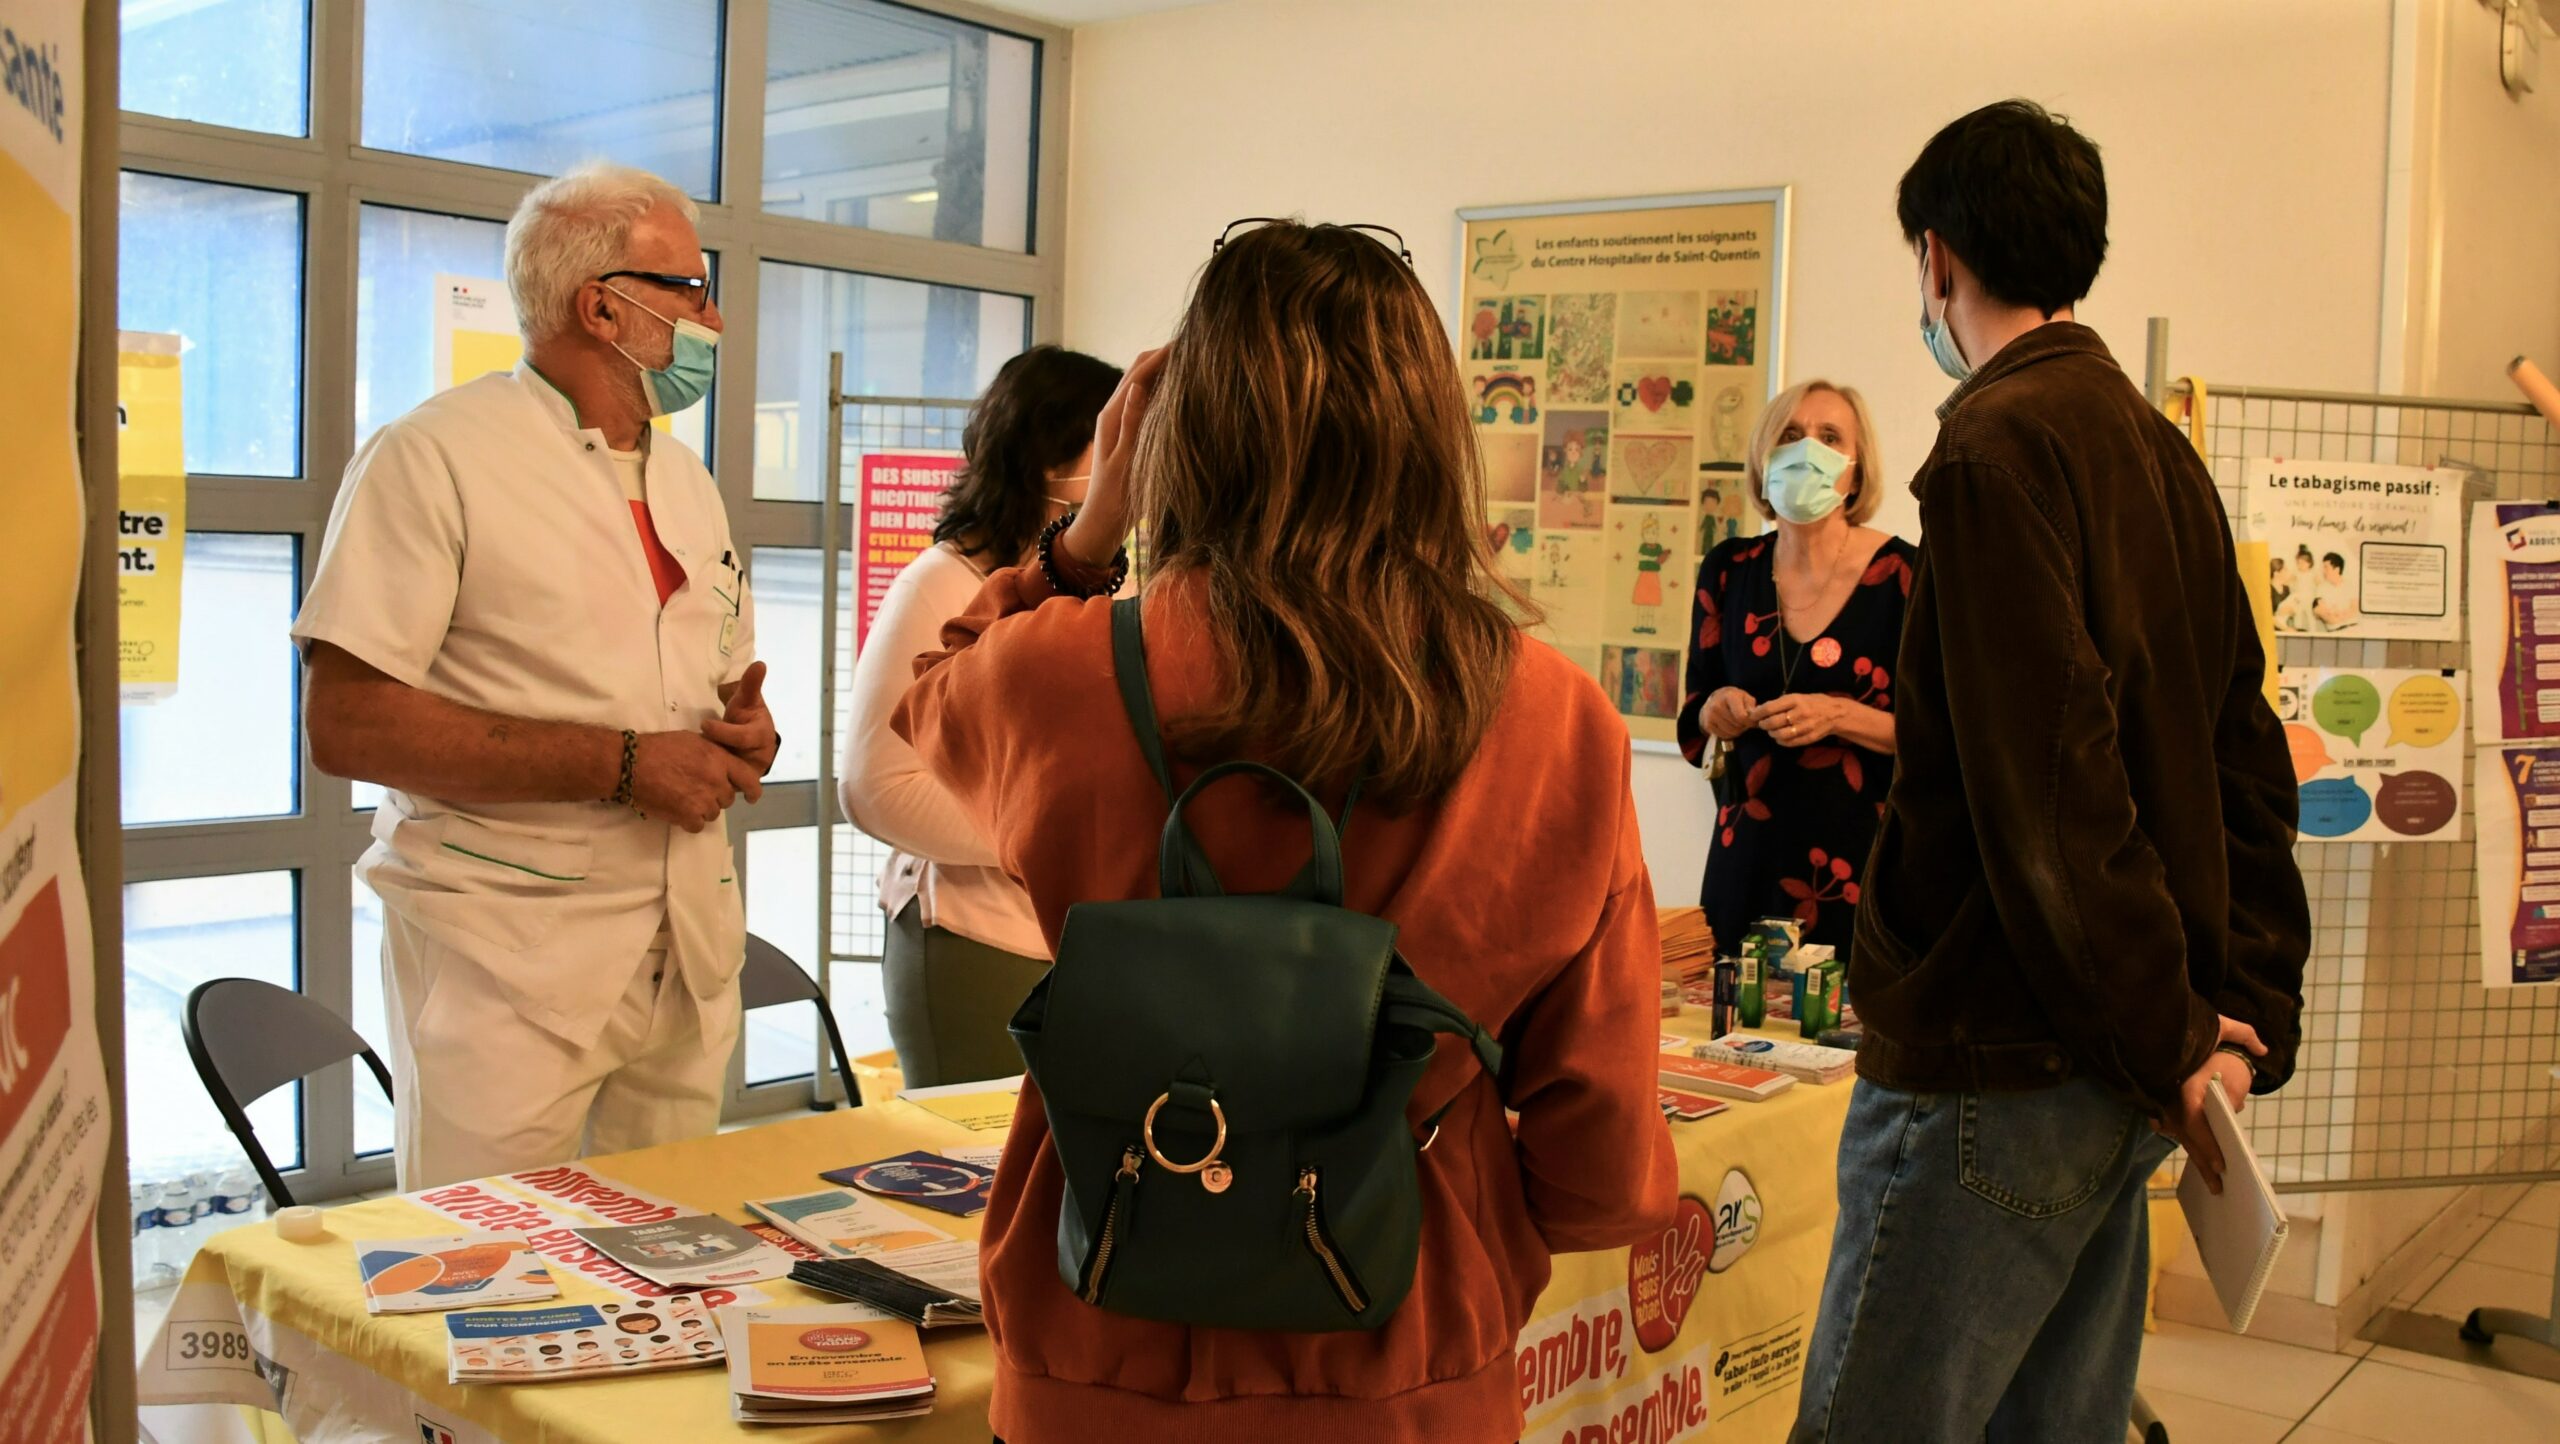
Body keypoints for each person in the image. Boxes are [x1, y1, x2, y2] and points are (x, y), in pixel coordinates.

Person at [894, 220, 1678, 1443]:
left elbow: (928, 695)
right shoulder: (1550, 713)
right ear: (1428, 433)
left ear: (1175, 435)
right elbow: (1597, 1149)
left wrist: (1087, 533)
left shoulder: (1061, 675)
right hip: (1405, 1340)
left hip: (1099, 1325)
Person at [1791, 101, 2309, 1443]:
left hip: (2000, 1064)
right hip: (2115, 1066)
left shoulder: (1995, 449)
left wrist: (2175, 1033)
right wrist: (2232, 1008)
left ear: (1937, 256)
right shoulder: (2155, 449)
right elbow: (2240, 751)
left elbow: (2051, 799)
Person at [294, 162, 776, 1190]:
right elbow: (347, 723)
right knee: (494, 1278)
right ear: (601, 305)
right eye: (692, 290)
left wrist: (746, 727)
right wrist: (622, 764)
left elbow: (706, 671)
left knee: (669, 1258)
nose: (716, 319)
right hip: (506, 959)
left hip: (683, 945)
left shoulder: (685, 479)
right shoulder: (433, 457)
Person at [839, 344, 1122, 1088]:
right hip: (975, 944)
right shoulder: (940, 584)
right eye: (1115, 442)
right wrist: (1042, 837)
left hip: (1071, 944)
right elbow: (876, 786)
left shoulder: (1101, 589)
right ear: (1049, 458)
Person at [1677, 379, 1914, 953]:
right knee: (1731, 1034)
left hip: (1862, 865)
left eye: (1829, 436)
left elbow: (1938, 735)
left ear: (1856, 471)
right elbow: (1695, 707)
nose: (1807, 449)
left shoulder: (1907, 575)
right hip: (1748, 857)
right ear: (1763, 460)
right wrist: (1716, 710)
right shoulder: (1729, 569)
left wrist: (1838, 715)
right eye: (1789, 434)